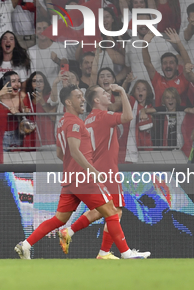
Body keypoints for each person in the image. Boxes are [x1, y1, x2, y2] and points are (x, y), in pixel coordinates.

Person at [14, 85, 150, 260]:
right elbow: (74, 150)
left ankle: (25, 245)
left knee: (59, 219)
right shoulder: (75, 122)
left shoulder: (62, 122)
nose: (82, 99)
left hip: (71, 178)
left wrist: (73, 166)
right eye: (78, 96)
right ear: (69, 102)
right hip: (84, 177)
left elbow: (60, 153)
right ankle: (125, 253)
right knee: (112, 211)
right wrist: (91, 171)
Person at [59, 83, 134, 259]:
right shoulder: (104, 116)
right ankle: (109, 252)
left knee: (104, 210)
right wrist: (123, 91)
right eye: (104, 93)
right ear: (96, 100)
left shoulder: (87, 120)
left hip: (94, 169)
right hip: (106, 169)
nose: (109, 95)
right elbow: (129, 116)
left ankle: (70, 232)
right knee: (115, 211)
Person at [142, 29, 192, 107]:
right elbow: (147, 63)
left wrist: (179, 43)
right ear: (161, 67)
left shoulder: (182, 79)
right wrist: (145, 44)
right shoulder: (157, 80)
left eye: (171, 63)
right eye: (165, 63)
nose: (168, 65)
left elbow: (188, 64)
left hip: (181, 118)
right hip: (161, 118)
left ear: (177, 67)